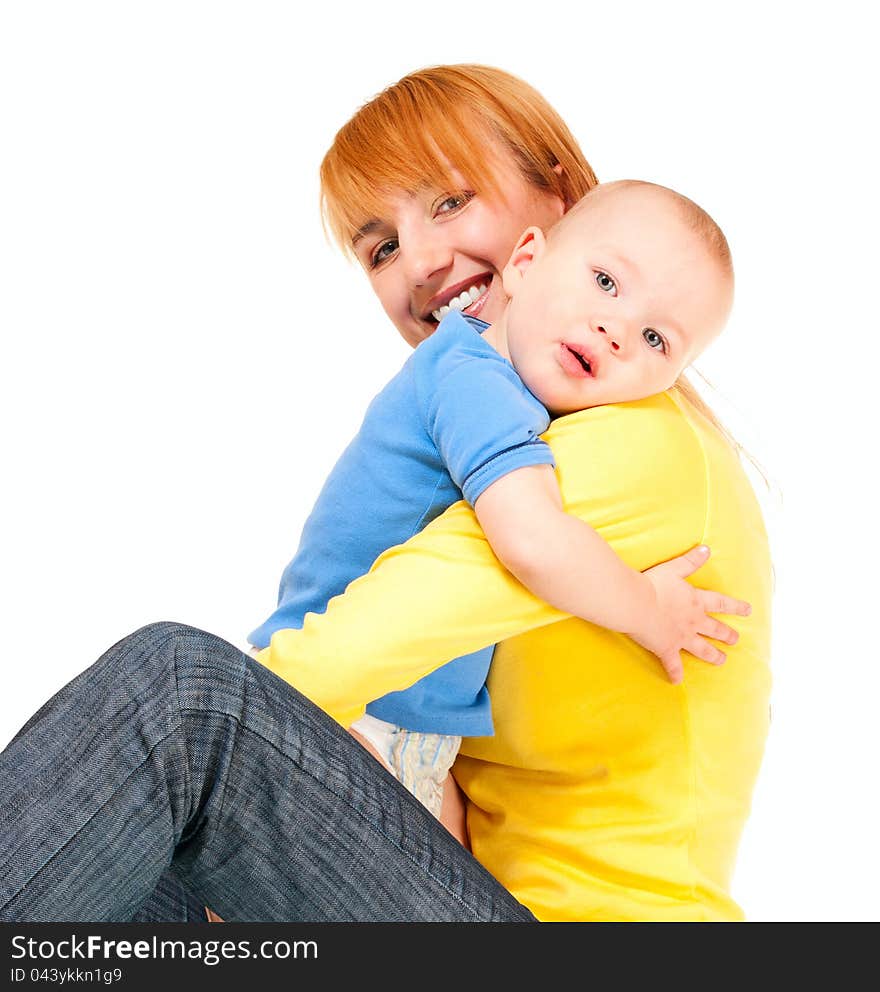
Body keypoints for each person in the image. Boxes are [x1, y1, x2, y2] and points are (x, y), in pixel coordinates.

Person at [0, 64, 771, 923]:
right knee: (126, 881)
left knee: (181, 693)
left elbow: (344, 658)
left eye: (449, 201)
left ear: (554, 203)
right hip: (467, 876)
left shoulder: (629, 440)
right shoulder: (529, 417)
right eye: (382, 247)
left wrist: (246, 757)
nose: (425, 263)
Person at [249, 179, 745, 823]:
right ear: (526, 261)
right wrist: (648, 607)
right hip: (341, 714)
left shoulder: (525, 403)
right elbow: (533, 543)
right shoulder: (473, 380)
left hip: (412, 730)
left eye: (657, 339)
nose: (617, 328)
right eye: (605, 282)